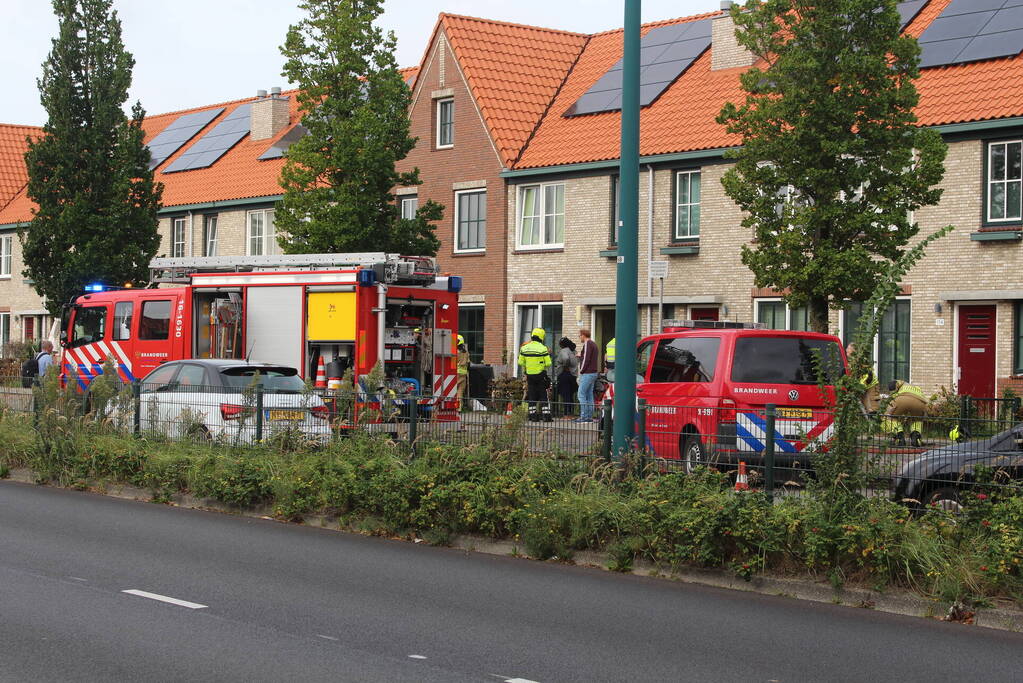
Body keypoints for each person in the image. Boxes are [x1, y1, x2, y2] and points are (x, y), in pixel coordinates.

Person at [518, 327, 552, 422]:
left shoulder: (524, 348)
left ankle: (532, 416)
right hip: (541, 375)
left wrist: (528, 366)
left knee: (532, 395)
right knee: (543, 395)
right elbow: (548, 363)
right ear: (542, 337)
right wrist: (541, 364)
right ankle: (546, 416)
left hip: (530, 376)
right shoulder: (543, 348)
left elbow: (520, 362)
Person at [881, 379, 928, 447]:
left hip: (901, 399)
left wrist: (888, 412)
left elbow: (893, 397)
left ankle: (899, 438)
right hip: (920, 402)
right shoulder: (915, 388)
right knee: (917, 419)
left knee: (889, 417)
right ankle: (916, 438)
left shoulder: (899, 388)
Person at [577, 329, 599, 423]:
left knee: (581, 394)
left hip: (587, 373)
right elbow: (588, 357)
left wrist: (581, 371)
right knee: (589, 395)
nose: (579, 337)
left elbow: (586, 359)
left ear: (583, 335)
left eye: (580, 335)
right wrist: (580, 356)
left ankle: (584, 417)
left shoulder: (587, 344)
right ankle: (589, 417)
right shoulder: (594, 344)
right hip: (593, 373)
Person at [554, 337, 578, 418]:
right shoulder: (573, 351)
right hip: (572, 375)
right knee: (570, 395)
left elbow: (566, 358)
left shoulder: (564, 350)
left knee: (565, 394)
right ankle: (571, 413)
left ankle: (566, 414)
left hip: (565, 375)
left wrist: (565, 366)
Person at [456, 334, 470, 411]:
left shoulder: (455, 352)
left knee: (452, 391)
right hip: (464, 374)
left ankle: (452, 407)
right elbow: (469, 364)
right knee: (460, 392)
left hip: (456, 373)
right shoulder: (466, 352)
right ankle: (459, 408)